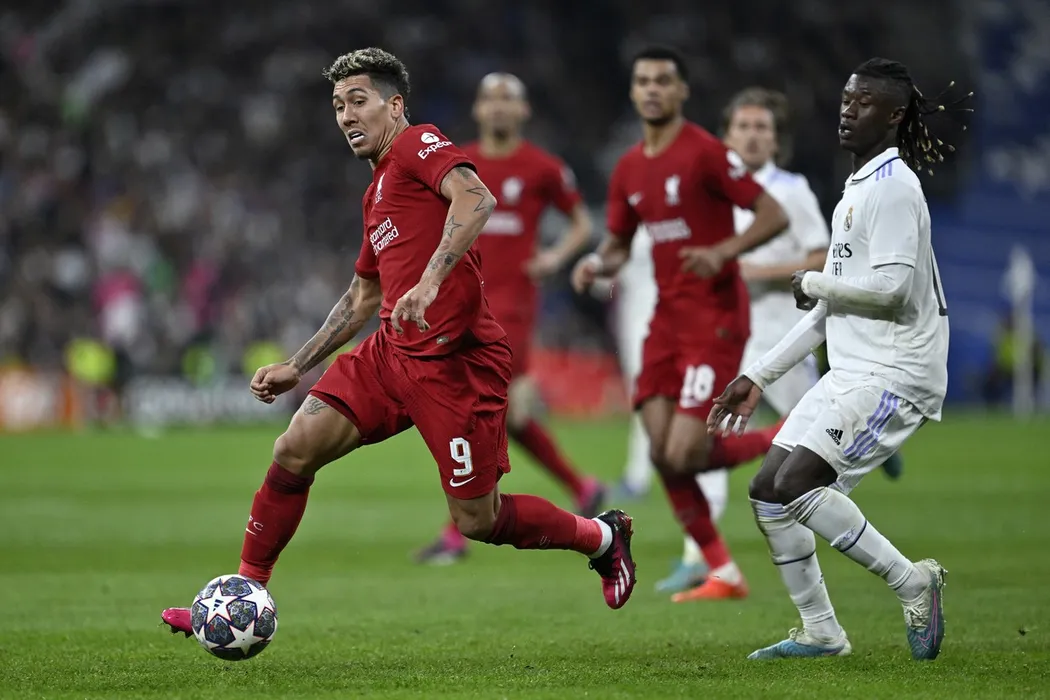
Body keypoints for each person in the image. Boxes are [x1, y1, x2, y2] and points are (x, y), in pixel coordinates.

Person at [160, 49, 639, 639]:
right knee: (294, 449)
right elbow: (362, 297)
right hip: (391, 355)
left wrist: (430, 280)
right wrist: (297, 365)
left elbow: (477, 198)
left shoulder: (417, 144)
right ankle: (241, 598)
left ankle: (602, 537)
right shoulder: (376, 194)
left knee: (478, 520)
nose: (346, 115)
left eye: (358, 101)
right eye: (338, 105)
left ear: (394, 105)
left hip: (457, 365)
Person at [711, 57, 971, 660]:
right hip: (853, 369)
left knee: (798, 484)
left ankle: (913, 582)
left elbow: (892, 291)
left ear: (895, 116)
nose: (848, 111)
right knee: (767, 491)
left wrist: (814, 281)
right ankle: (821, 632)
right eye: (847, 99)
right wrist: (757, 376)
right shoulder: (857, 188)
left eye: (865, 103)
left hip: (896, 372)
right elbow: (828, 308)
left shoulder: (896, 187)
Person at [571, 46, 790, 603]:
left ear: (682, 90)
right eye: (643, 80)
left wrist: (723, 252)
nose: (652, 89)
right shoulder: (628, 168)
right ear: (633, 91)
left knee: (686, 452)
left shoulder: (706, 153)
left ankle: (788, 436)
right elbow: (619, 244)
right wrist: (597, 264)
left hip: (715, 318)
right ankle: (724, 572)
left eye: (663, 80)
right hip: (665, 322)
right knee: (660, 451)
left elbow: (773, 214)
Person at [415, 72, 605, 565]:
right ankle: (583, 487)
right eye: (490, 99)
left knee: (480, 412)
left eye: (508, 100)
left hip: (512, 311)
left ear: (524, 111)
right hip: (461, 303)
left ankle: (456, 532)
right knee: (509, 417)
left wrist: (553, 257)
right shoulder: (456, 163)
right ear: (478, 109)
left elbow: (582, 223)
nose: (498, 107)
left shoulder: (543, 167)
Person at [656, 88, 832, 595]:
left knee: (816, 436)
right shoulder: (713, 190)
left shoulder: (792, 191)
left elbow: (822, 258)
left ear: (776, 140)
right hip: (724, 334)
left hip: (785, 334)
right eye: (744, 127)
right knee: (705, 433)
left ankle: (837, 504)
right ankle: (701, 560)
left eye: (763, 128)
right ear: (726, 137)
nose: (753, 136)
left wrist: (753, 271)